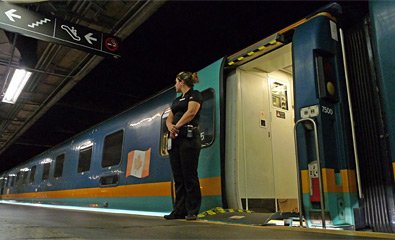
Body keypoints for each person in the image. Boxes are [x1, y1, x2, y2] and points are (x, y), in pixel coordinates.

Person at [164, 71, 202, 221]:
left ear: (181, 82)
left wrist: (176, 127)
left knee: (189, 175)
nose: (175, 85)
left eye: (176, 81)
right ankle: (178, 210)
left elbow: (191, 112)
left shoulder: (195, 94)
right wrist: (170, 127)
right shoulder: (176, 101)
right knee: (178, 176)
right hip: (175, 139)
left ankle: (192, 210)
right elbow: (169, 119)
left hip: (189, 138)